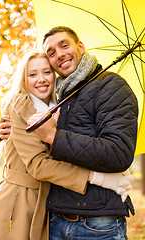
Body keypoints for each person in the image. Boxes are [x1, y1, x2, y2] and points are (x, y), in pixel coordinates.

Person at [0, 51, 132, 240]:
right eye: (32, 74)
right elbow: (39, 165)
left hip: (45, 203)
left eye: (47, 72)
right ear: (23, 78)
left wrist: (112, 166)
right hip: (17, 202)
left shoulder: (57, 105)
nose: (41, 80)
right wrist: (101, 178)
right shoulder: (20, 103)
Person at [27, 26, 138, 240]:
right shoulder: (58, 97)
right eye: (51, 52)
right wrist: (9, 130)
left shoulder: (111, 86)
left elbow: (118, 153)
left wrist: (54, 136)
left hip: (98, 226)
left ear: (80, 47)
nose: (59, 54)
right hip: (55, 221)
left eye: (64, 45)